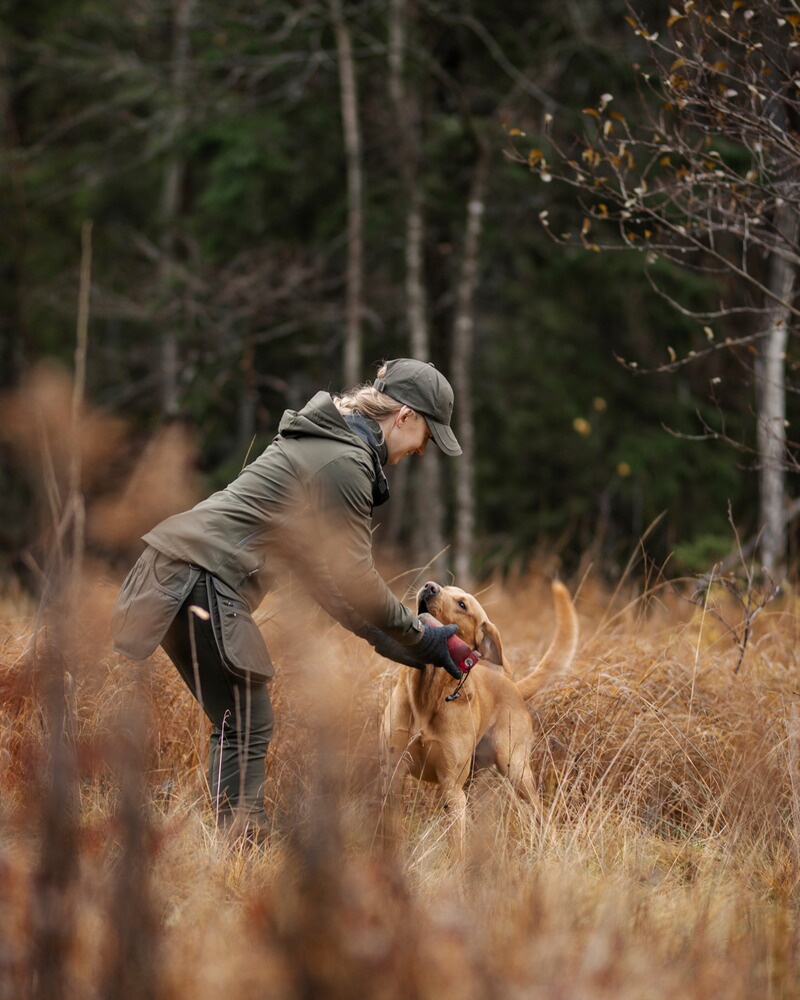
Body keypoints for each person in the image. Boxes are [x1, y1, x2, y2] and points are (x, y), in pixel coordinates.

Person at [110, 358, 463, 840]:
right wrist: (422, 633)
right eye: (427, 435)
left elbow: (333, 585)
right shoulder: (346, 461)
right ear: (404, 416)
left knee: (239, 718)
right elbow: (358, 579)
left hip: (173, 571)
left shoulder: (328, 449)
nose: (422, 450)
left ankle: (234, 844)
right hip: (198, 577)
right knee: (246, 719)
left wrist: (417, 648)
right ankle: (241, 847)